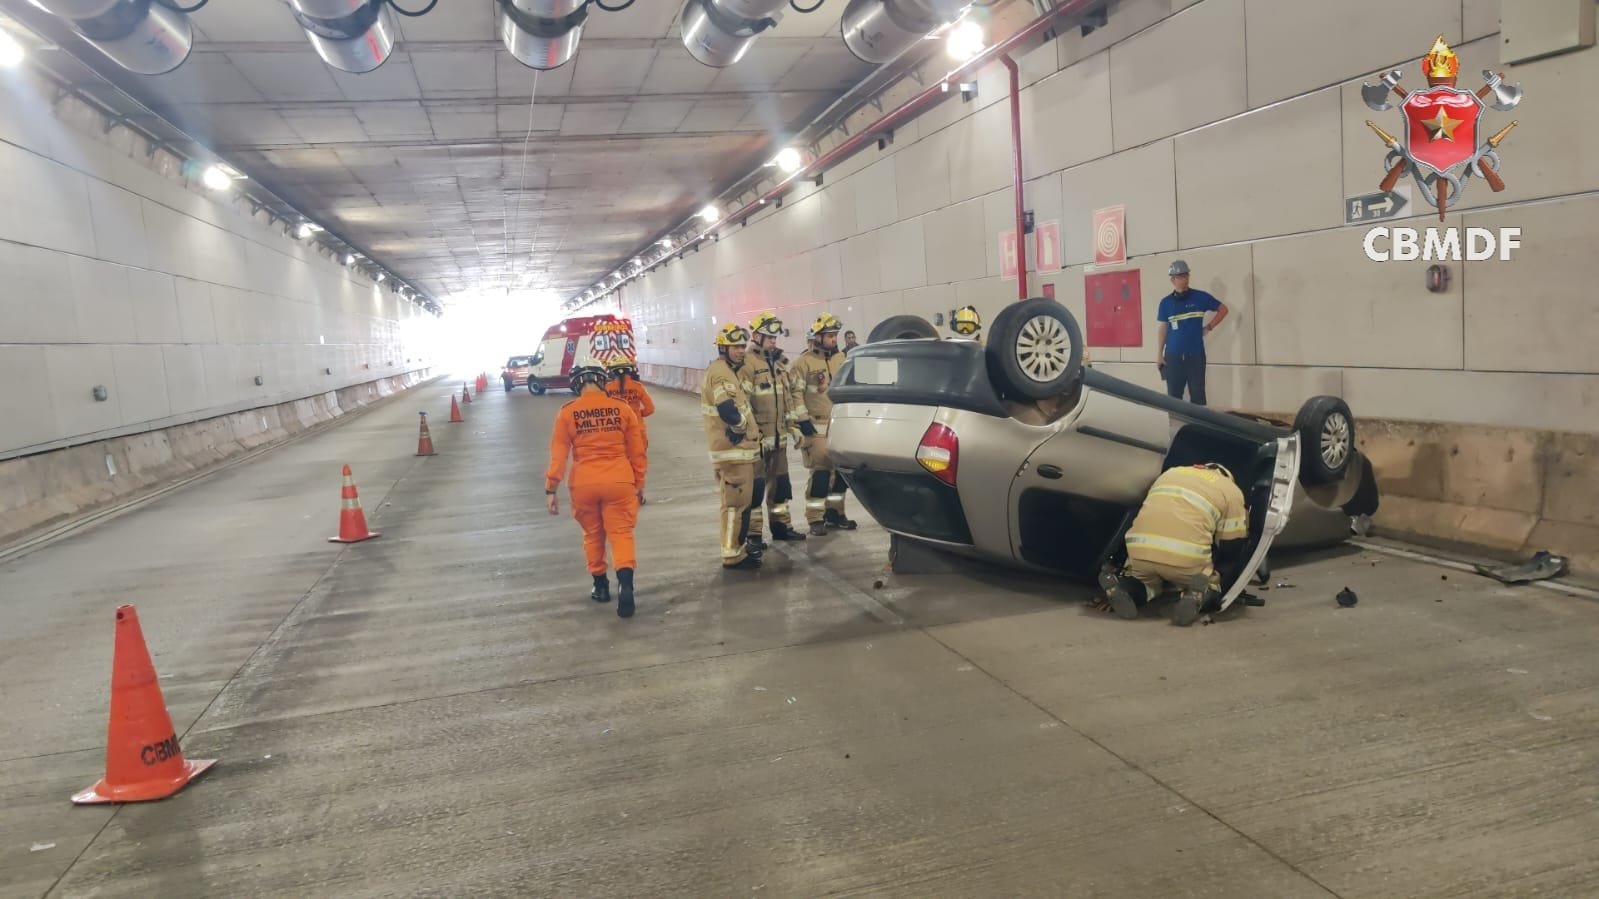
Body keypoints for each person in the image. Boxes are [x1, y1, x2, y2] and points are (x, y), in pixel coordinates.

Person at [545, 364, 648, 618]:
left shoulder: (567, 413)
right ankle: (626, 584)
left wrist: (551, 488)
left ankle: (601, 586)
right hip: (619, 480)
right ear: (603, 382)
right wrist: (638, 483)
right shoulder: (623, 409)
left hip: (584, 483)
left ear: (577, 385)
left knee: (592, 534)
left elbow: (558, 456)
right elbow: (638, 452)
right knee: (621, 534)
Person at [1097, 462, 1249, 626]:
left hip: (1140, 549)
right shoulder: (1231, 491)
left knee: (1145, 583)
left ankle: (1126, 589)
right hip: (1186, 557)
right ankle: (1200, 595)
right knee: (1210, 583)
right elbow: (1232, 545)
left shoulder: (1170, 473)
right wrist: (1225, 575)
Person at [701, 322, 764, 570]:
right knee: (735, 506)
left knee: (740, 505)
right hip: (732, 453)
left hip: (739, 453)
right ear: (723, 348)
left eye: (742, 346)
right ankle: (732, 555)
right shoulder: (721, 373)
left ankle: (737, 550)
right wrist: (739, 428)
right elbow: (727, 409)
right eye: (735, 346)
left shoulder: (728, 371)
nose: (740, 350)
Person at [789, 313, 856, 536]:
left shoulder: (841, 360)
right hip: (815, 428)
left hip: (839, 426)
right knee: (820, 474)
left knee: (841, 475)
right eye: (829, 336)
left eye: (835, 335)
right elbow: (795, 394)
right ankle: (815, 518)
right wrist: (802, 420)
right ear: (817, 337)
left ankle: (835, 514)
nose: (833, 339)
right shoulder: (803, 363)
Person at [1155, 260, 1228, 406]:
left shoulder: (1201, 298)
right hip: (1173, 357)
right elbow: (1163, 330)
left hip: (1195, 356)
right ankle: (1175, 427)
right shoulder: (1166, 303)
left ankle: (1198, 428)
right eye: (1180, 277)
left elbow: (1223, 309)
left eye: (1186, 275)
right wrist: (1159, 355)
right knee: (1173, 397)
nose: (1184, 279)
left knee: (1198, 394)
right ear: (1172, 280)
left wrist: (1209, 327)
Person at [604, 356, 655, 453]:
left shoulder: (607, 388)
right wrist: (638, 414)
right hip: (637, 429)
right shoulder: (638, 387)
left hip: (616, 432)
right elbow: (650, 409)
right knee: (639, 461)